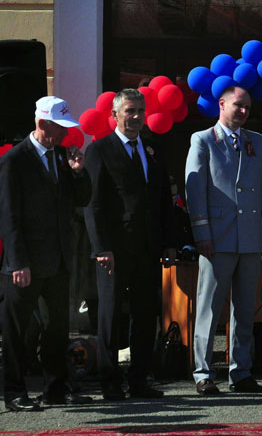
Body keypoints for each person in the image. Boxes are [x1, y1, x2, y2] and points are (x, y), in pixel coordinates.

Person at [0, 96, 92, 411]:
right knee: (18, 329)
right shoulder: (15, 160)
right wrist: (17, 262)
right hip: (27, 262)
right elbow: (8, 216)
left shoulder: (63, 156)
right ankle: (14, 392)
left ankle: (55, 389)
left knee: (56, 328)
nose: (65, 134)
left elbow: (82, 199)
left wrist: (79, 172)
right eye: (60, 128)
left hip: (59, 259)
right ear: (42, 124)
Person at [84, 88, 178, 400]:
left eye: (140, 110)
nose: (136, 117)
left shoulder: (153, 148)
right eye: (129, 111)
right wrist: (101, 248)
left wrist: (168, 242)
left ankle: (139, 379)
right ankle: (110, 382)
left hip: (148, 247)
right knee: (109, 314)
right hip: (114, 249)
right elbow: (92, 204)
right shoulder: (100, 150)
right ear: (114, 115)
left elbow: (164, 199)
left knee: (146, 313)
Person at [184, 85, 262, 395]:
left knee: (245, 309)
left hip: (250, 237)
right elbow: (195, 193)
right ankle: (203, 373)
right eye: (238, 105)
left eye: (247, 107)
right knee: (209, 309)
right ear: (221, 104)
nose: (243, 112)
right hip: (218, 239)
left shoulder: (257, 142)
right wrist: (202, 235)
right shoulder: (203, 140)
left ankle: (241, 372)